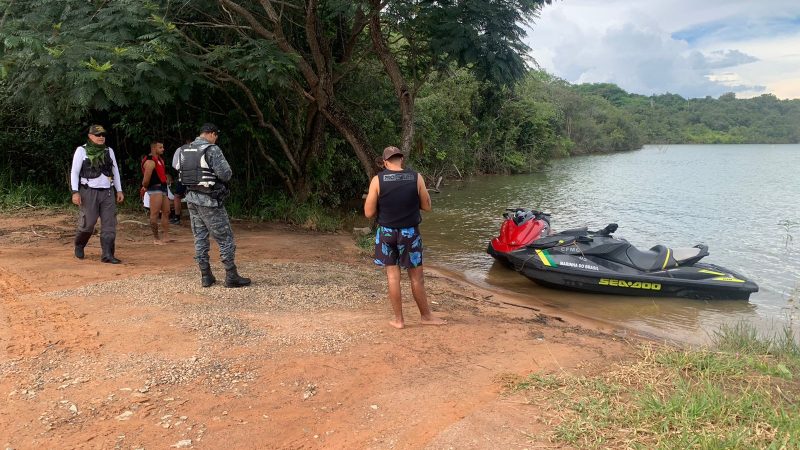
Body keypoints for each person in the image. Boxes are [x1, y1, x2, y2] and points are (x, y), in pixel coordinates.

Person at [363, 146, 446, 329]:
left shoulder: (378, 180)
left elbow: (368, 213)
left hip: (387, 233)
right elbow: (427, 206)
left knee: (393, 277)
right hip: (410, 233)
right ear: (401, 160)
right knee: (416, 278)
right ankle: (426, 316)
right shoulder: (416, 177)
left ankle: (399, 320)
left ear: (385, 162)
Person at [178, 123, 250, 288]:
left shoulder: (184, 149)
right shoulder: (211, 149)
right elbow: (225, 174)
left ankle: (206, 275)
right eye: (216, 136)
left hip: (191, 199)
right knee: (225, 237)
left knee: (200, 237)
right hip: (209, 200)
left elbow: (180, 172)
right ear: (211, 134)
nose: (215, 140)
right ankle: (231, 275)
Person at [70, 124, 124, 263]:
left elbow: (115, 171)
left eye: (103, 135)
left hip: (107, 192)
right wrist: (75, 192)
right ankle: (79, 245)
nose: (101, 137)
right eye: (97, 135)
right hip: (88, 191)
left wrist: (119, 190)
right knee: (88, 223)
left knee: (109, 224)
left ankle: (107, 255)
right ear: (90, 136)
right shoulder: (81, 150)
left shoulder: (109, 151)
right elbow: (75, 172)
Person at [140, 140, 170, 245]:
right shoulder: (150, 161)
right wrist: (145, 187)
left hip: (162, 187)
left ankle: (166, 236)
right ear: (154, 149)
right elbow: (146, 179)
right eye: (160, 147)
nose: (163, 149)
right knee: (155, 213)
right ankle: (156, 238)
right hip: (155, 188)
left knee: (166, 211)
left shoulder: (159, 159)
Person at [170, 140, 191, 225]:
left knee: (177, 196)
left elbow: (175, 164)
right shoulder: (200, 149)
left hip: (184, 176)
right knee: (196, 195)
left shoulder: (180, 149)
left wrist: (182, 170)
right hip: (198, 177)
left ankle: (177, 217)